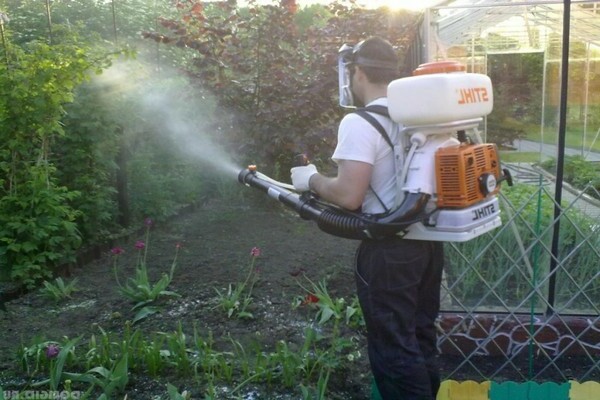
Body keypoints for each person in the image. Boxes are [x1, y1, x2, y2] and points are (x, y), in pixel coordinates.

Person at [290, 36, 444, 400]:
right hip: (427, 246)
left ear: (357, 72)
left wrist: (310, 179)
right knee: (421, 336)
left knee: (394, 349)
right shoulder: (419, 117)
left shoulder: (359, 123)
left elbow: (348, 195)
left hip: (389, 251)